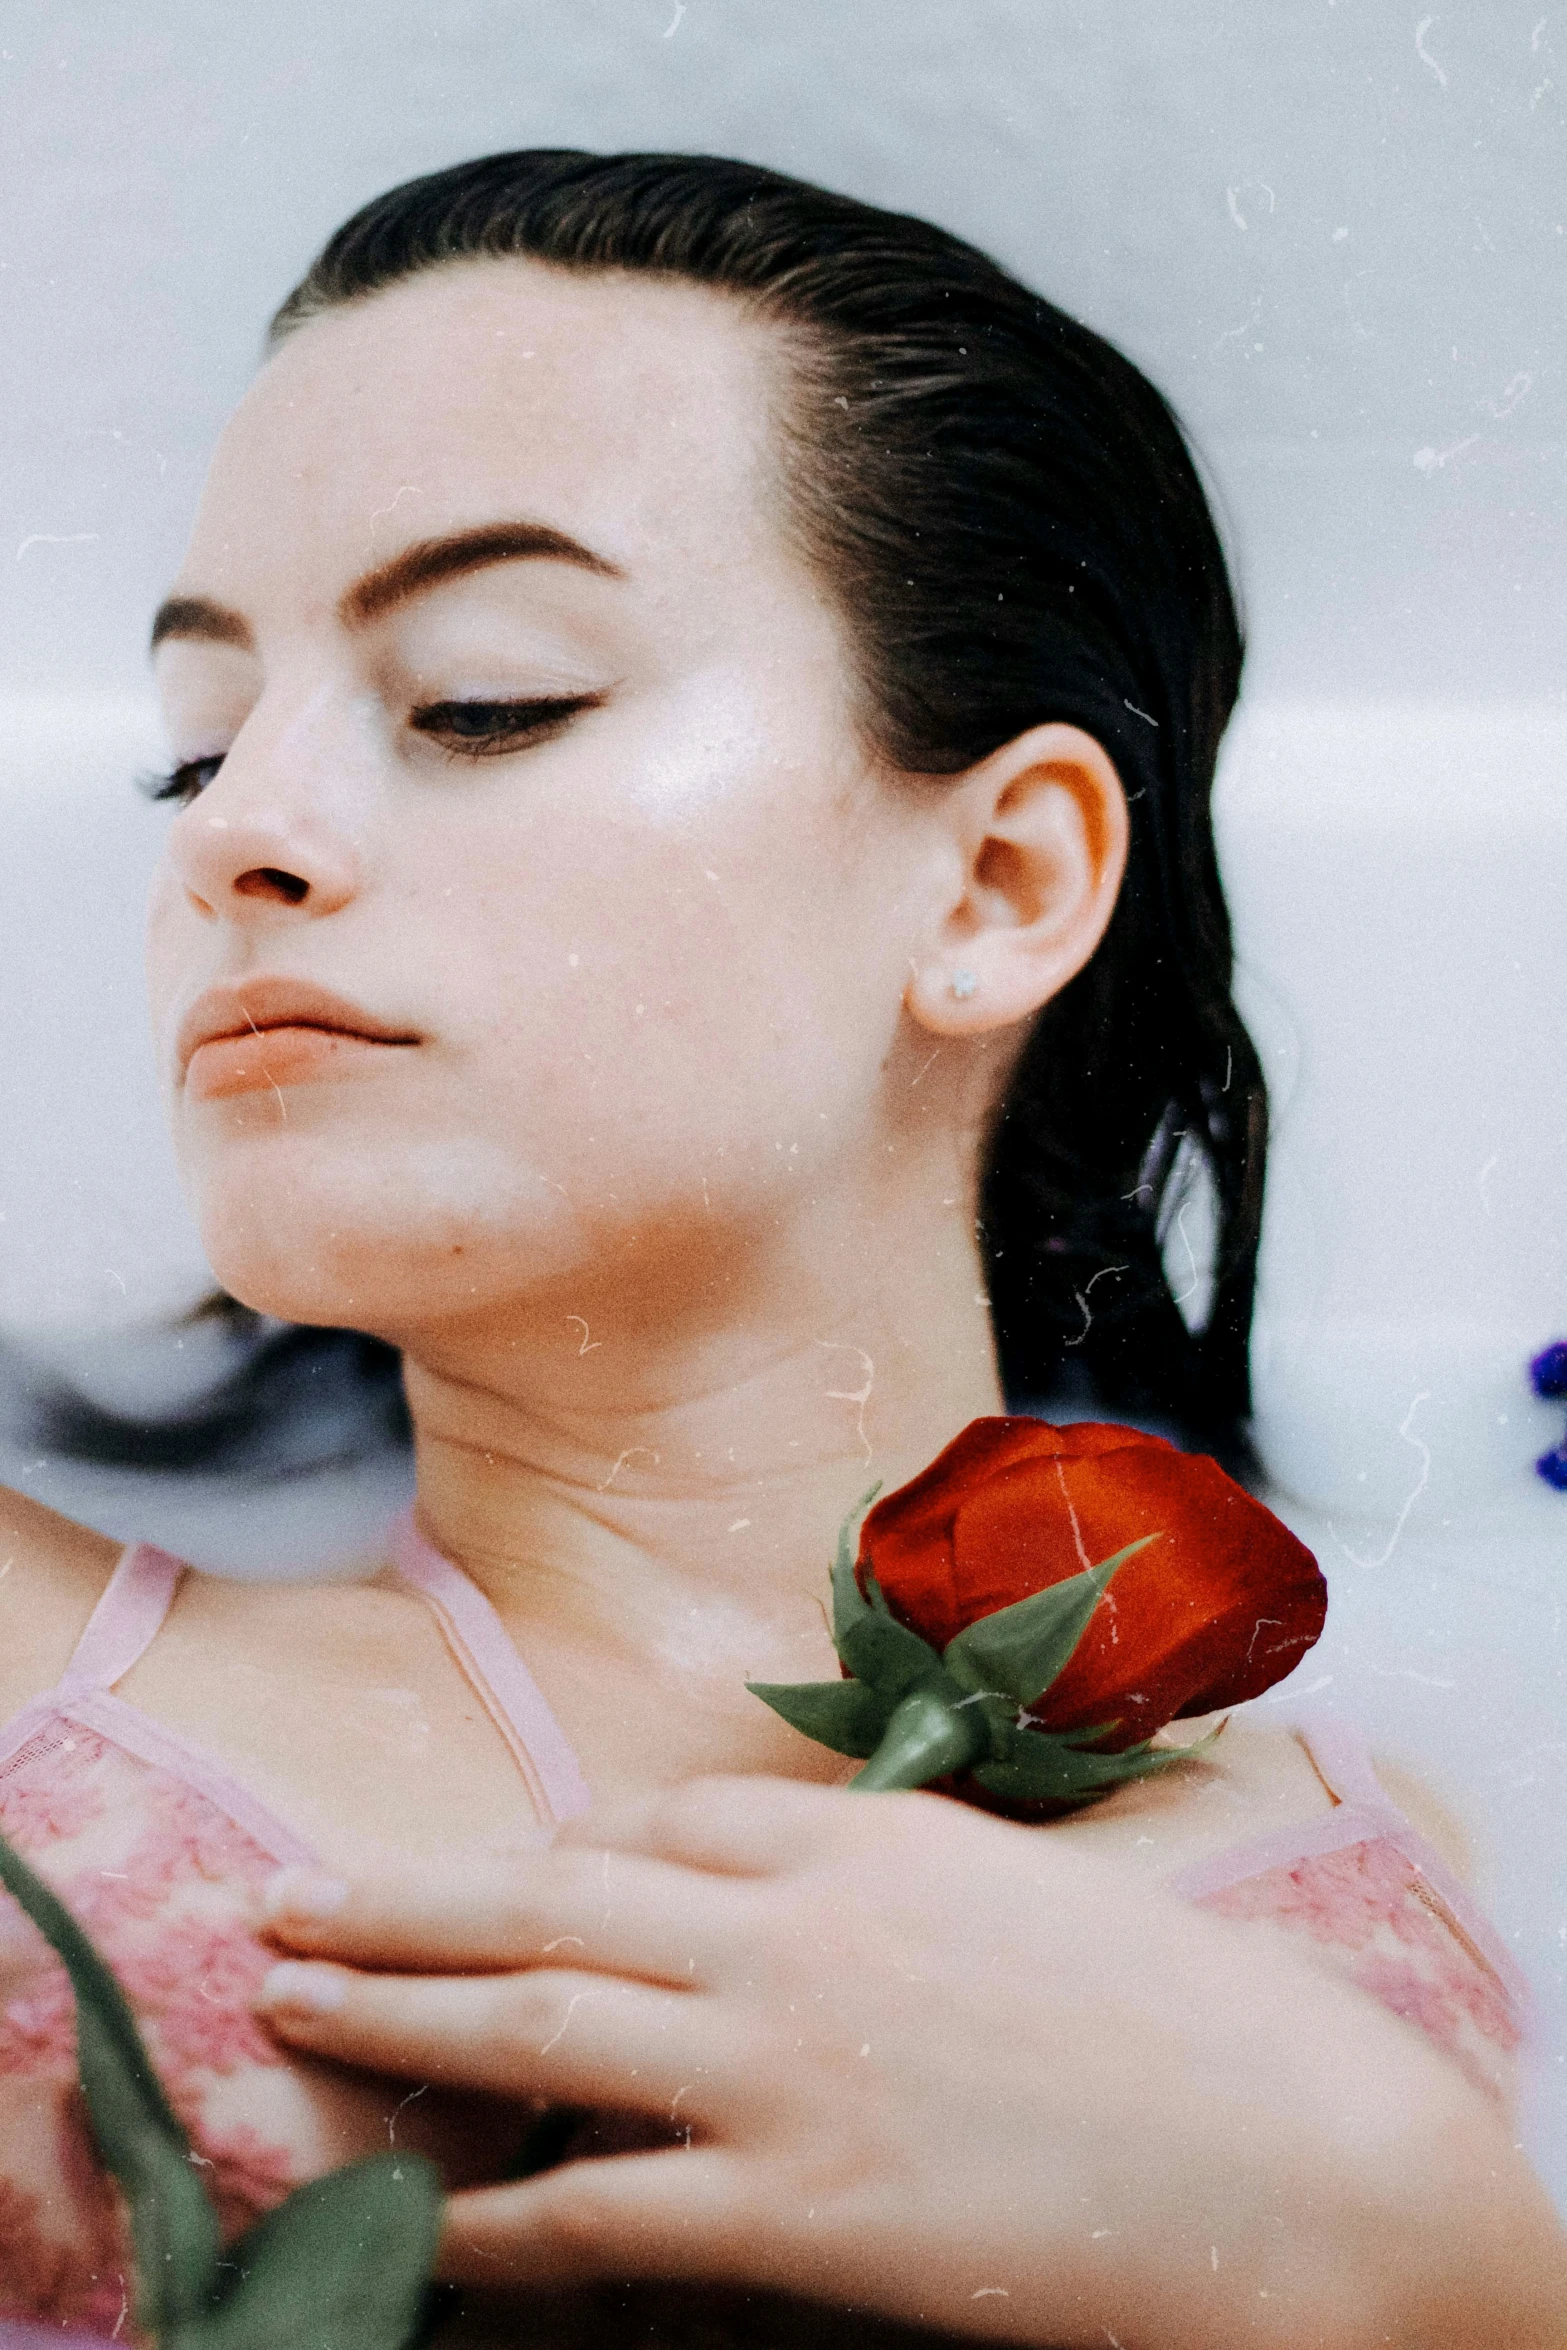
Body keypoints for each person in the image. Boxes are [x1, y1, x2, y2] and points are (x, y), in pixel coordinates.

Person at [0, 150, 1561, 2347]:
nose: (237, 829)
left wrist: (1440, 2265)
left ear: (1001, 879)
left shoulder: (1401, 1863)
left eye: (484, 698)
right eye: (193, 748)